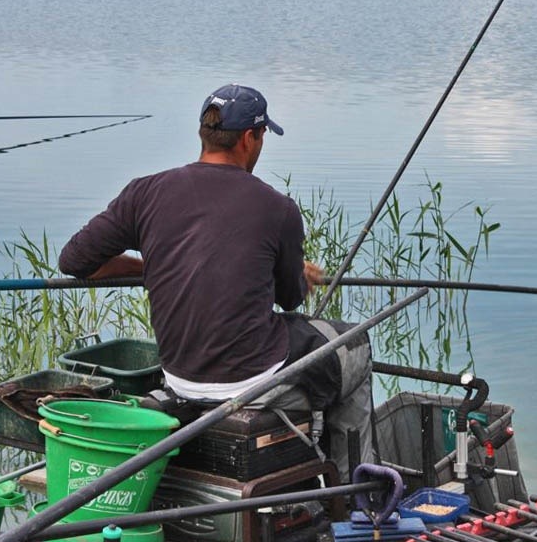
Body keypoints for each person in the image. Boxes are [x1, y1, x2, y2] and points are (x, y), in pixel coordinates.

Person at [58, 83, 375, 480]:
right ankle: (355, 492)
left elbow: (76, 261)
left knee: (315, 343)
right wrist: (295, 272)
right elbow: (291, 299)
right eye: (261, 138)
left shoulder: (145, 193)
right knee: (355, 345)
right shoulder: (277, 207)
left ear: (203, 134)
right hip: (252, 378)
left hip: (179, 376)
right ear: (249, 138)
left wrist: (155, 263)